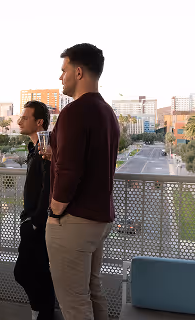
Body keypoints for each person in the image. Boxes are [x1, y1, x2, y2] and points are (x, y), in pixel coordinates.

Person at [40, 43, 119, 320]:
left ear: (78, 71)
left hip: (74, 221)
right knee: (91, 291)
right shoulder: (107, 112)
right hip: (99, 218)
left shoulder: (74, 112)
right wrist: (56, 153)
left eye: (63, 71)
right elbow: (89, 160)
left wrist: (54, 211)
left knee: (74, 304)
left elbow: (71, 172)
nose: (61, 77)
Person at [14, 101, 55, 320]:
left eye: (24, 117)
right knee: (35, 272)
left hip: (37, 223)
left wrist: (36, 222)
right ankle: (42, 312)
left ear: (39, 122)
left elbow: (47, 187)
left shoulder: (45, 149)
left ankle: (43, 312)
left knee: (25, 272)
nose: (19, 120)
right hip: (31, 220)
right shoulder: (34, 148)